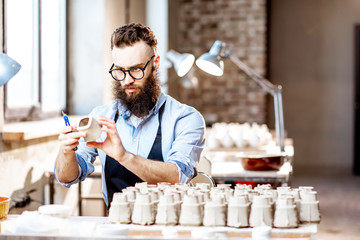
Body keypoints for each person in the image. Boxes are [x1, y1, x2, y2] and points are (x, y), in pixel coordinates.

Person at [55, 23, 206, 206]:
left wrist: (124, 157)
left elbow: (178, 176)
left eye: (136, 69)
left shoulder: (185, 118)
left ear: (155, 63)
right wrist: (66, 152)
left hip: (168, 228)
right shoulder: (101, 117)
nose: (127, 80)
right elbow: (67, 178)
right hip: (117, 226)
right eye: (120, 70)